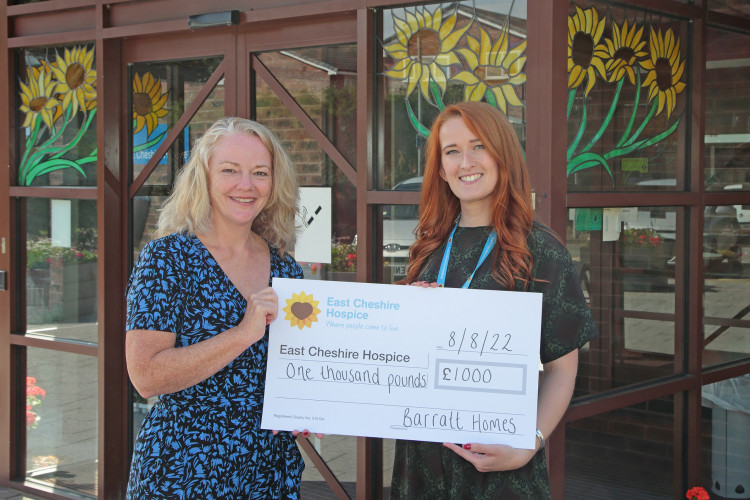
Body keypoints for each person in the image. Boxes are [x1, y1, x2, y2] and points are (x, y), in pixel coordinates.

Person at [390, 102, 599, 500]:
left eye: (478, 146)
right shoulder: (429, 246)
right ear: (440, 168)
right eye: (451, 151)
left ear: (503, 155)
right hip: (420, 465)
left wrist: (530, 442)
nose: (465, 161)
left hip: (499, 470)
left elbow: (562, 370)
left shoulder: (540, 250)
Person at [125, 117, 307, 499]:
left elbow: (293, 367)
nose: (246, 185)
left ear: (274, 184)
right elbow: (146, 376)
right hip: (184, 467)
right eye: (230, 171)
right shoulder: (167, 258)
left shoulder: (285, 269)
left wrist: (304, 409)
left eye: (260, 172)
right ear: (203, 179)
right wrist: (242, 334)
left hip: (266, 468)